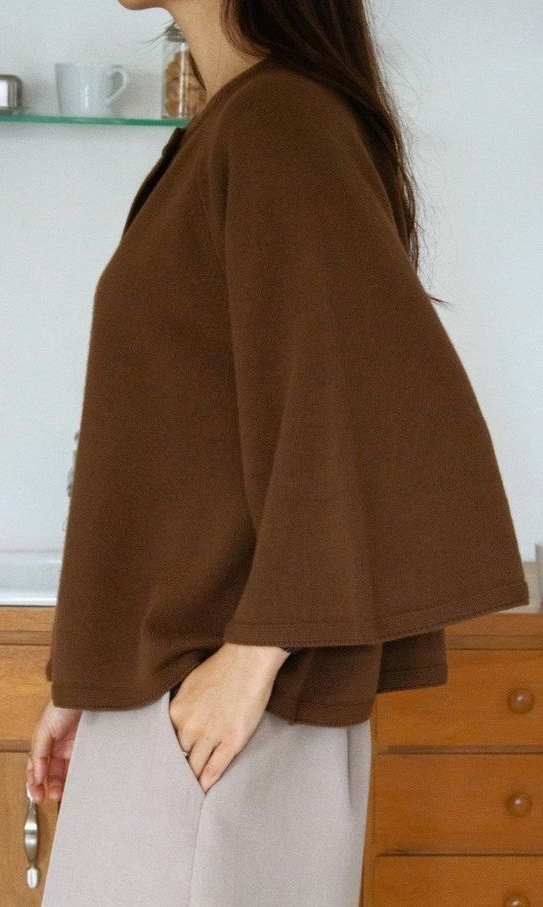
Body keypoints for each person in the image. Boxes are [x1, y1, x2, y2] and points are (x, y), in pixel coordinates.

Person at [30, 2, 529, 904]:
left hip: (222, 706)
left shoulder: (278, 122)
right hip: (171, 698)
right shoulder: (234, 127)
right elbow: (177, 445)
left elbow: (359, 395)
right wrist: (91, 674)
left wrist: (255, 655)